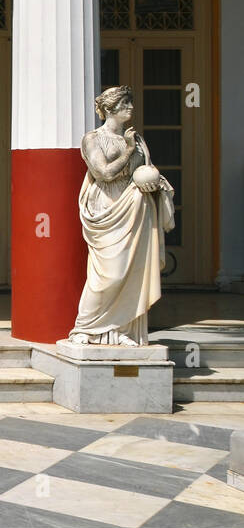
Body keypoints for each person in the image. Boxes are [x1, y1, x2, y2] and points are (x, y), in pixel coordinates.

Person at [69, 85, 175, 347]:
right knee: (109, 274)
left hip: (136, 207)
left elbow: (146, 169)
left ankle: (124, 330)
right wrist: (127, 151)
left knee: (132, 272)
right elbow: (103, 173)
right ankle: (87, 328)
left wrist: (155, 181)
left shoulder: (137, 139)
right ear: (109, 109)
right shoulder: (92, 139)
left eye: (130, 102)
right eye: (125, 103)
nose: (130, 107)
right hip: (107, 207)